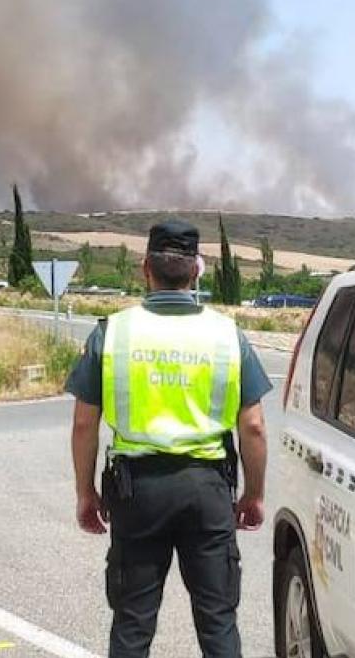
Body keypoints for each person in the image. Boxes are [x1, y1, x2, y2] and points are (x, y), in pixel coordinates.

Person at [66, 219, 272, 658]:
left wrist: (85, 492)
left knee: (133, 623)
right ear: (197, 270)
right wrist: (253, 494)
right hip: (208, 491)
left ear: (145, 269)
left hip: (137, 492)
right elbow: (252, 426)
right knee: (218, 622)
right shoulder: (228, 336)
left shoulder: (112, 333)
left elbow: (85, 423)